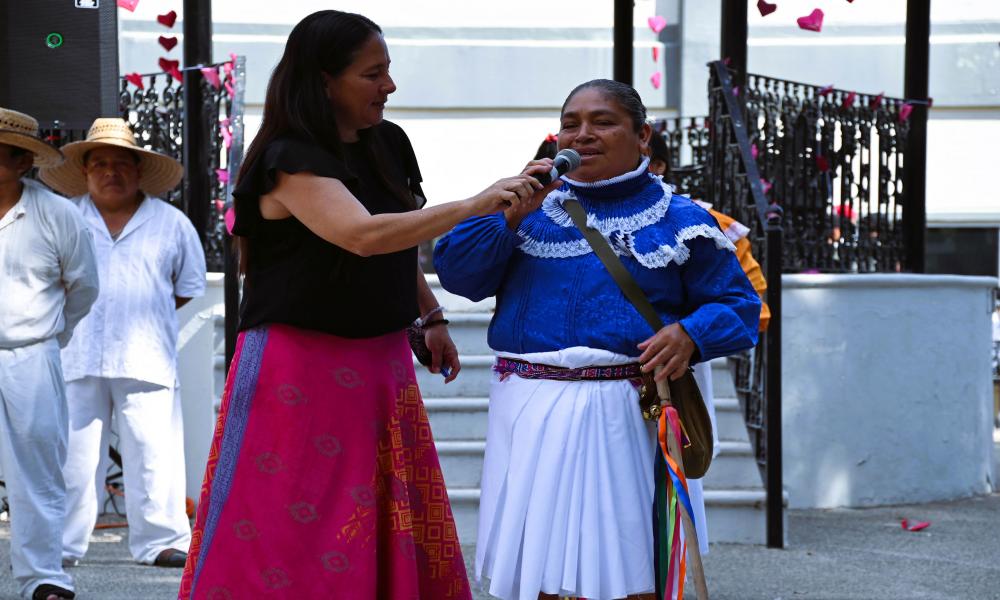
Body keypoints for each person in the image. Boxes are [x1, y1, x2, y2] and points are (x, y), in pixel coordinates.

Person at [175, 11, 546, 599]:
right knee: (292, 523)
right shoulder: (287, 158)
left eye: (388, 71)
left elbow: (398, 243)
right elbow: (363, 235)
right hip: (299, 367)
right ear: (325, 82)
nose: (389, 87)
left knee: (382, 512)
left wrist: (428, 314)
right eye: (373, 74)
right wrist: (475, 204)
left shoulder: (389, 142)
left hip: (378, 361)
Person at [434, 80, 761, 600]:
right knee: (540, 570)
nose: (582, 134)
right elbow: (459, 277)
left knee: (633, 570)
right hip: (528, 409)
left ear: (643, 136)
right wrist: (506, 213)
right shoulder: (526, 210)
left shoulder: (682, 219)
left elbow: (742, 308)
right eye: (570, 123)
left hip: (630, 416)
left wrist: (690, 334)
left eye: (602, 122)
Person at [38, 118, 205, 569]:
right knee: (71, 458)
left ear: (137, 169)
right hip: (75, 351)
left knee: (154, 453)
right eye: (100, 164)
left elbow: (186, 286)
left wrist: (139, 310)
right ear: (86, 171)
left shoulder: (171, 223)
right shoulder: (63, 218)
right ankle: (62, 544)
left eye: (121, 163)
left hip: (145, 354)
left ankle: (161, 541)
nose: (111, 172)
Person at [0, 106, 99, 600]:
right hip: (30, 351)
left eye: (1, 156)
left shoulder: (56, 212)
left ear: (22, 162)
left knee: (36, 470)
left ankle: (44, 577)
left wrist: (50, 336)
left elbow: (83, 288)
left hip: (30, 355)